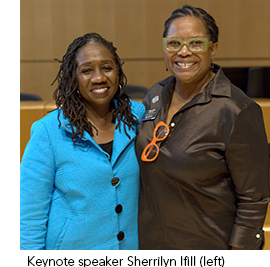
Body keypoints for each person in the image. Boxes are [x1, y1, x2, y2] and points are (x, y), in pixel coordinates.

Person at [136, 5, 269, 250]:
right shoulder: (155, 94)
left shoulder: (237, 110)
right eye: (174, 43)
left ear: (213, 48)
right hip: (151, 247)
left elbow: (254, 199)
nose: (183, 52)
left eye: (196, 43)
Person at [20, 33, 145, 250]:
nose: (99, 78)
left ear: (118, 72)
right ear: (73, 77)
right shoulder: (48, 131)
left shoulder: (137, 117)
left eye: (107, 67)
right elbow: (30, 215)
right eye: (87, 70)